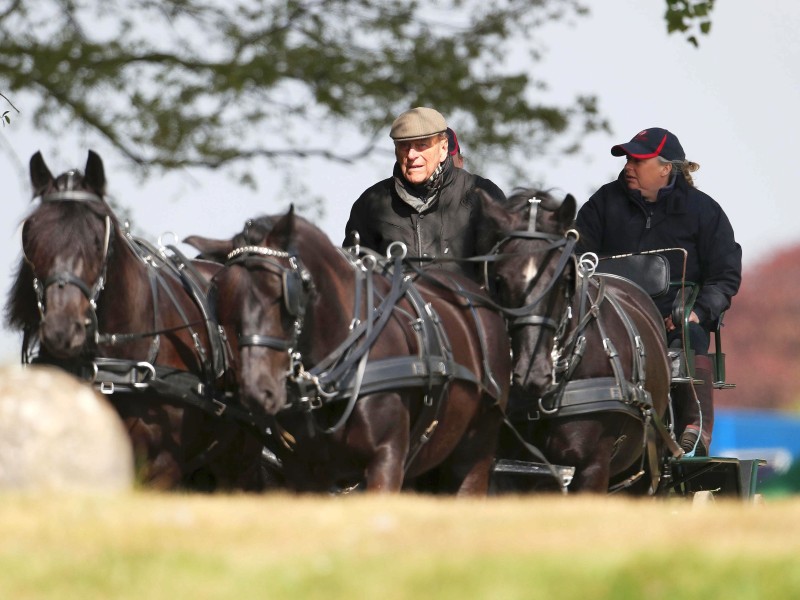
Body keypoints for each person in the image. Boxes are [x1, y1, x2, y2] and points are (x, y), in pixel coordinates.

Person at [575, 127, 742, 456]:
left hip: (672, 320)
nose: (628, 167)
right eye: (628, 160)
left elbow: (725, 275)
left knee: (690, 331)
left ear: (666, 168)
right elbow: (579, 256)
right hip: (608, 315)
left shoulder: (705, 211)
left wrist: (698, 311)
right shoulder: (602, 203)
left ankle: (695, 425)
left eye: (638, 160)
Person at [343, 107, 505, 281]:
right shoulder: (372, 202)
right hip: (395, 307)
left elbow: (507, 270)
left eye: (422, 145)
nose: (412, 155)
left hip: (466, 307)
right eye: (404, 145)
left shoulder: (482, 194)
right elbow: (352, 280)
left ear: (443, 149)